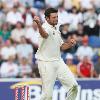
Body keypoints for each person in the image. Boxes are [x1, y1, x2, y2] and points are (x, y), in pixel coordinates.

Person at [34, 8, 78, 100]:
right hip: (46, 63)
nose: (56, 19)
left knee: (73, 86)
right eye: (54, 17)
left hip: (58, 61)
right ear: (47, 18)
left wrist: (70, 44)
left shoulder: (56, 27)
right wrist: (38, 24)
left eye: (57, 17)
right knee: (47, 96)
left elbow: (61, 46)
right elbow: (44, 34)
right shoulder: (45, 27)